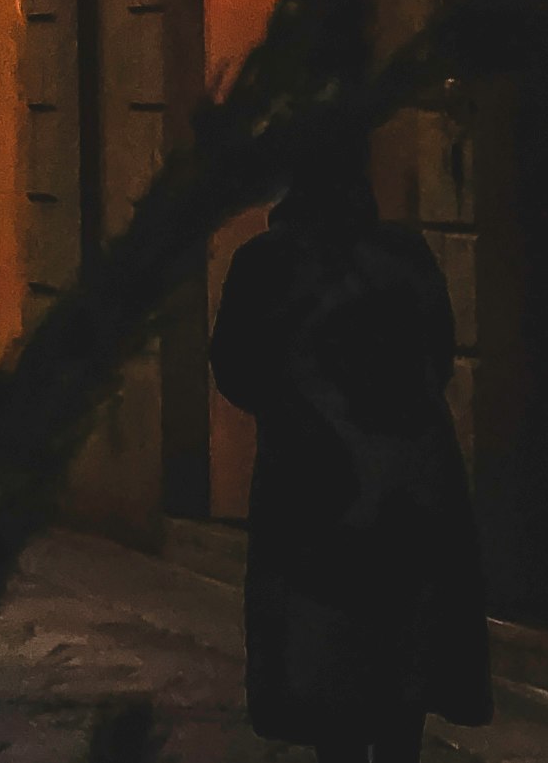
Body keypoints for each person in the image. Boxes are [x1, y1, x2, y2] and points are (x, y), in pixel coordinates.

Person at [210, 129, 492, 763]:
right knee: (404, 665)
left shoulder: (267, 262)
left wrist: (300, 409)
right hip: (416, 482)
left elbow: (235, 368)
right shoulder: (407, 253)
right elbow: (438, 354)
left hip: (315, 483)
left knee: (327, 664)